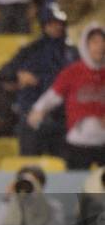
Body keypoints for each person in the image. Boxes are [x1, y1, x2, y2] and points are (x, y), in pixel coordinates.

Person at [0, 4, 78, 155]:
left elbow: (71, 81)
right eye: (52, 24)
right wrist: (18, 76)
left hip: (63, 118)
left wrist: (40, 80)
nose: (56, 28)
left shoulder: (72, 53)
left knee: (63, 164)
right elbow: (3, 73)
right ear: (44, 25)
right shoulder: (32, 49)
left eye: (59, 24)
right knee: (31, 161)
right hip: (31, 116)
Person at [27, 23, 104, 169]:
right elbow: (53, 95)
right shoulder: (73, 72)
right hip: (78, 143)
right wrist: (38, 110)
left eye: (102, 42)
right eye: (95, 42)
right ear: (85, 45)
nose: (100, 46)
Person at [0, 165, 65, 225]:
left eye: (32, 182)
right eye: (23, 182)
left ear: (41, 185)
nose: (26, 186)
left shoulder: (53, 206)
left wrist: (39, 200)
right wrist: (7, 198)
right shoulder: (8, 204)